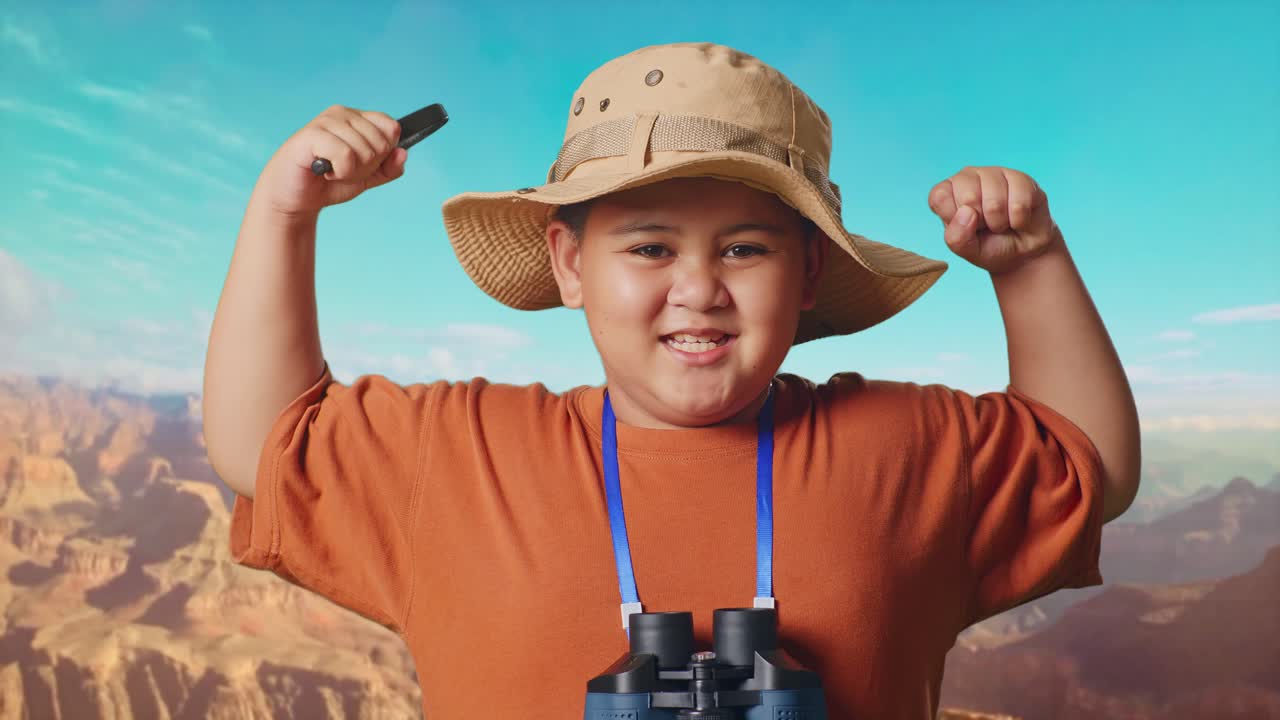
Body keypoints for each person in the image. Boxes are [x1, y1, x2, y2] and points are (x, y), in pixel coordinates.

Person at [203, 41, 1140, 720]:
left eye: (746, 248)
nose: (699, 289)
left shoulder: (905, 448)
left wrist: (1032, 265)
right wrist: (284, 211)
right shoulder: (458, 456)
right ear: (569, 264)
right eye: (648, 246)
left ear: (808, 274)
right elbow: (261, 445)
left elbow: (1087, 465)